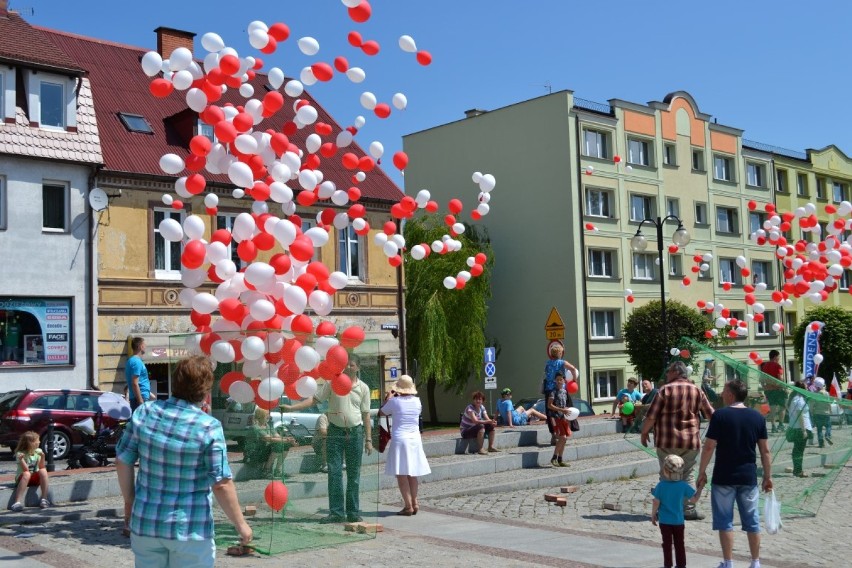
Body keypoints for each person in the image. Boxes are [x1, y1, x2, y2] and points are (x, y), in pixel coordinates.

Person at [116, 355, 252, 566]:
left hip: (146, 523)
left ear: (176, 382)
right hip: (190, 530)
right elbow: (221, 483)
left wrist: (129, 502)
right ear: (206, 391)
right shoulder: (208, 426)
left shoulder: (144, 413)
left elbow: (123, 460)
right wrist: (241, 524)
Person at [283, 353, 372, 523]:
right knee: (334, 472)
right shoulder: (332, 383)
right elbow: (314, 400)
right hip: (335, 432)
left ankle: (353, 512)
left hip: (355, 433)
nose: (348, 368)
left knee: (354, 474)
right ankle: (336, 513)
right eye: (346, 365)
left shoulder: (363, 388)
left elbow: (366, 415)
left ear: (358, 368)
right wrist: (292, 408)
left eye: (352, 365)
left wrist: (368, 439)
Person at [696, 378, 773, 568]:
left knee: (724, 521)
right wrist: (767, 477)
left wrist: (702, 471)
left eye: (723, 390)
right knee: (752, 521)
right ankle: (755, 562)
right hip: (748, 476)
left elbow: (709, 447)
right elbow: (765, 451)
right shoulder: (757, 417)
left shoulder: (720, 416)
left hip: (724, 476)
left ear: (731, 394)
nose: (721, 394)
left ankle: (728, 562)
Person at [641, 360, 714, 521]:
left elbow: (652, 416)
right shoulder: (697, 390)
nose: (666, 374)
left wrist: (644, 432)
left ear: (676, 372)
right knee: (687, 475)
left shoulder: (664, 390)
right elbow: (711, 414)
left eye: (668, 371)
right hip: (690, 442)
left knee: (667, 475)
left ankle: (667, 510)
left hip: (667, 441)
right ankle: (688, 509)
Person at [379, 375, 431, 516]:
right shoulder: (417, 401)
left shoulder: (395, 402)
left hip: (400, 439)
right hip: (415, 439)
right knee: (412, 473)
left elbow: (381, 412)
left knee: (401, 473)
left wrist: (388, 398)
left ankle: (408, 506)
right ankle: (415, 502)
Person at [651, 454, 700, 568]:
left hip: (664, 521)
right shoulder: (683, 485)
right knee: (679, 544)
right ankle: (681, 565)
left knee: (667, 544)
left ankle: (668, 565)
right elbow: (694, 499)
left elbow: (656, 502)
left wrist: (653, 515)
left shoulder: (661, 485)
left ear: (665, 471)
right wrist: (700, 488)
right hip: (678, 521)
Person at [243, 407, 296, 478]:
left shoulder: (267, 426)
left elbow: (277, 436)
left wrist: (289, 439)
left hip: (263, 450)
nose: (269, 416)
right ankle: (266, 471)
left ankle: (277, 471)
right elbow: (269, 439)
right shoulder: (255, 427)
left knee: (286, 445)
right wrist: (286, 440)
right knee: (278, 445)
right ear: (261, 415)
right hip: (254, 454)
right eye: (267, 414)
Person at [542, 344, 579, 441]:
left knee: (550, 413)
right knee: (566, 408)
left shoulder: (548, 363)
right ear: (560, 353)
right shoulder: (562, 362)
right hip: (559, 390)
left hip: (548, 389)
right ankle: (565, 431)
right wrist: (574, 380)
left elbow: (546, 374)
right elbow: (573, 369)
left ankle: (553, 434)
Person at [9, 431, 50, 511]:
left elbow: (41, 466)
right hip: (23, 478)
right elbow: (26, 470)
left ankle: (44, 499)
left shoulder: (38, 451)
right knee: (27, 473)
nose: (39, 442)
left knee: (43, 470)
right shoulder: (20, 453)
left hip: (34, 478)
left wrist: (43, 457)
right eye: (37, 440)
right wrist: (21, 460)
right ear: (31, 443)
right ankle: (17, 502)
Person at [786, 379, 813, 477]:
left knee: (797, 450)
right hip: (799, 428)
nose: (807, 388)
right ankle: (798, 471)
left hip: (794, 427)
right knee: (799, 451)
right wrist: (804, 430)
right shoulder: (799, 399)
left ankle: (797, 470)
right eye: (806, 387)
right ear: (802, 388)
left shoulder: (793, 398)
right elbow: (800, 415)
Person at [547, 372, 572, 467]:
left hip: (563, 417)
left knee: (564, 440)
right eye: (557, 379)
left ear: (564, 380)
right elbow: (549, 405)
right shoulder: (553, 392)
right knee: (562, 437)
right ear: (555, 381)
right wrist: (561, 410)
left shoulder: (565, 392)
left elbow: (565, 405)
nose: (559, 381)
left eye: (560, 379)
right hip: (556, 417)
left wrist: (568, 414)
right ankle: (554, 457)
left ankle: (560, 459)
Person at [759, 350, 786, 433]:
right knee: (782, 407)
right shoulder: (778, 366)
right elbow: (779, 378)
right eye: (778, 356)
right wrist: (784, 386)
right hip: (778, 390)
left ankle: (773, 426)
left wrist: (765, 387)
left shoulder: (764, 366)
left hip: (769, 391)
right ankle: (781, 425)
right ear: (775, 357)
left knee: (772, 408)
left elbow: (761, 379)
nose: (779, 358)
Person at [125, 337, 154, 411]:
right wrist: (140, 401)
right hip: (140, 399)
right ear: (140, 346)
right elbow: (135, 383)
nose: (146, 346)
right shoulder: (136, 362)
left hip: (138, 397)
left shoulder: (131, 361)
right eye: (144, 344)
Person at [809, 378, 833, 448]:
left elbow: (812, 404)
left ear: (816, 386)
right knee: (828, 426)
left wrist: (812, 411)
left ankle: (821, 443)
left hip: (817, 414)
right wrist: (830, 410)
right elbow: (829, 403)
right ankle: (827, 435)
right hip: (826, 413)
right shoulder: (826, 393)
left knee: (819, 429)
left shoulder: (815, 394)